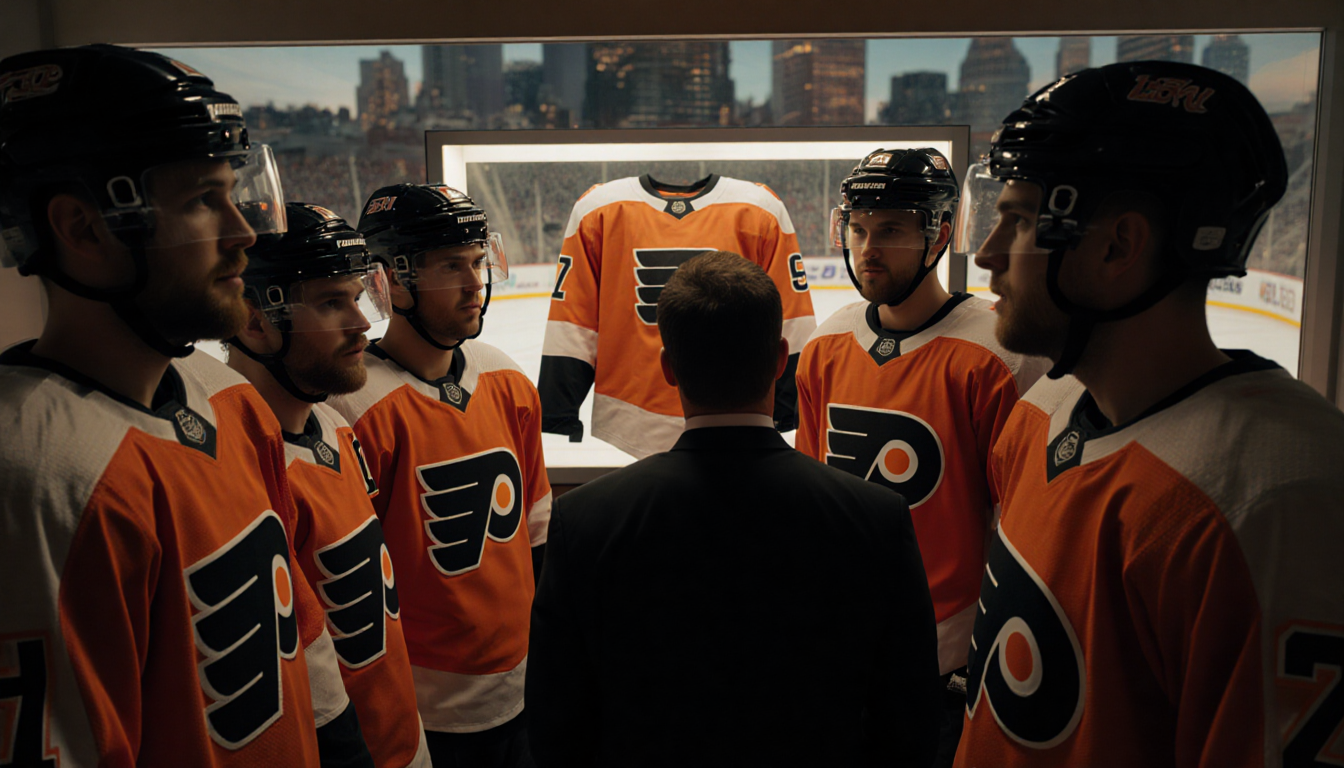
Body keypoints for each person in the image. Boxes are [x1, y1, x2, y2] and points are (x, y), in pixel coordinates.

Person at [954, 60, 1344, 765]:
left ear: (1117, 246)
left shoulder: (1282, 500)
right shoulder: (1042, 410)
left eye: (1016, 222)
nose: (985, 254)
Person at [0, 45, 371, 766]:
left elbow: (295, 636)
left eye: (235, 193)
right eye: (204, 200)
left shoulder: (230, 397)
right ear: (82, 228)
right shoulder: (33, 478)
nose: (246, 233)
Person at [527, 251, 943, 768]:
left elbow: (556, 725)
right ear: (779, 359)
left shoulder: (586, 522)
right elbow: (909, 721)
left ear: (668, 369)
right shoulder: (876, 517)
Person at [795, 147, 1050, 765]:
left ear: (937, 234)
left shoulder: (1001, 353)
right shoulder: (827, 341)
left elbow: (1025, 523)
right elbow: (812, 498)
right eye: (858, 229)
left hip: (950, 656)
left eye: (890, 230)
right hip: (838, 643)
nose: (868, 248)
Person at [328, 183, 551, 768]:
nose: (476, 282)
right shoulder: (351, 410)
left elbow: (535, 535)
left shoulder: (505, 378)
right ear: (389, 280)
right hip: (428, 710)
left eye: (478, 261)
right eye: (452, 266)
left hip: (524, 689)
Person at [227, 201, 432, 767]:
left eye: (358, 295)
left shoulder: (335, 425)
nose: (362, 321)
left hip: (400, 740)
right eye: (330, 302)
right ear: (254, 321)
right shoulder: (237, 474)